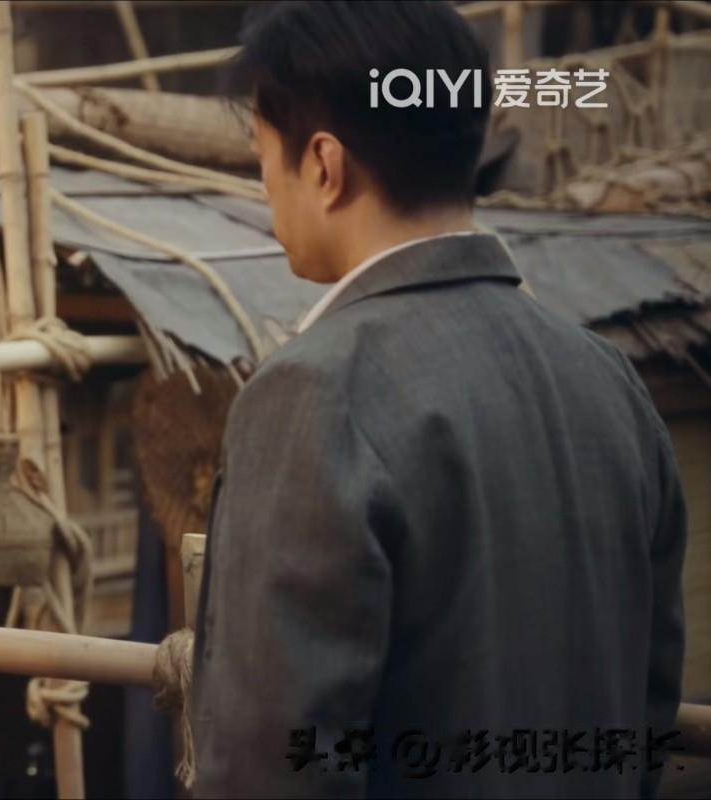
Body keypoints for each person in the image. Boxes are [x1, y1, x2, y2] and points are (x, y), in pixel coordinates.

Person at [191, 2, 687, 797]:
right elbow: (650, 705)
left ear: (323, 165)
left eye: (263, 158)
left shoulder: (316, 391)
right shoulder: (607, 379)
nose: (265, 189)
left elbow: (275, 762)